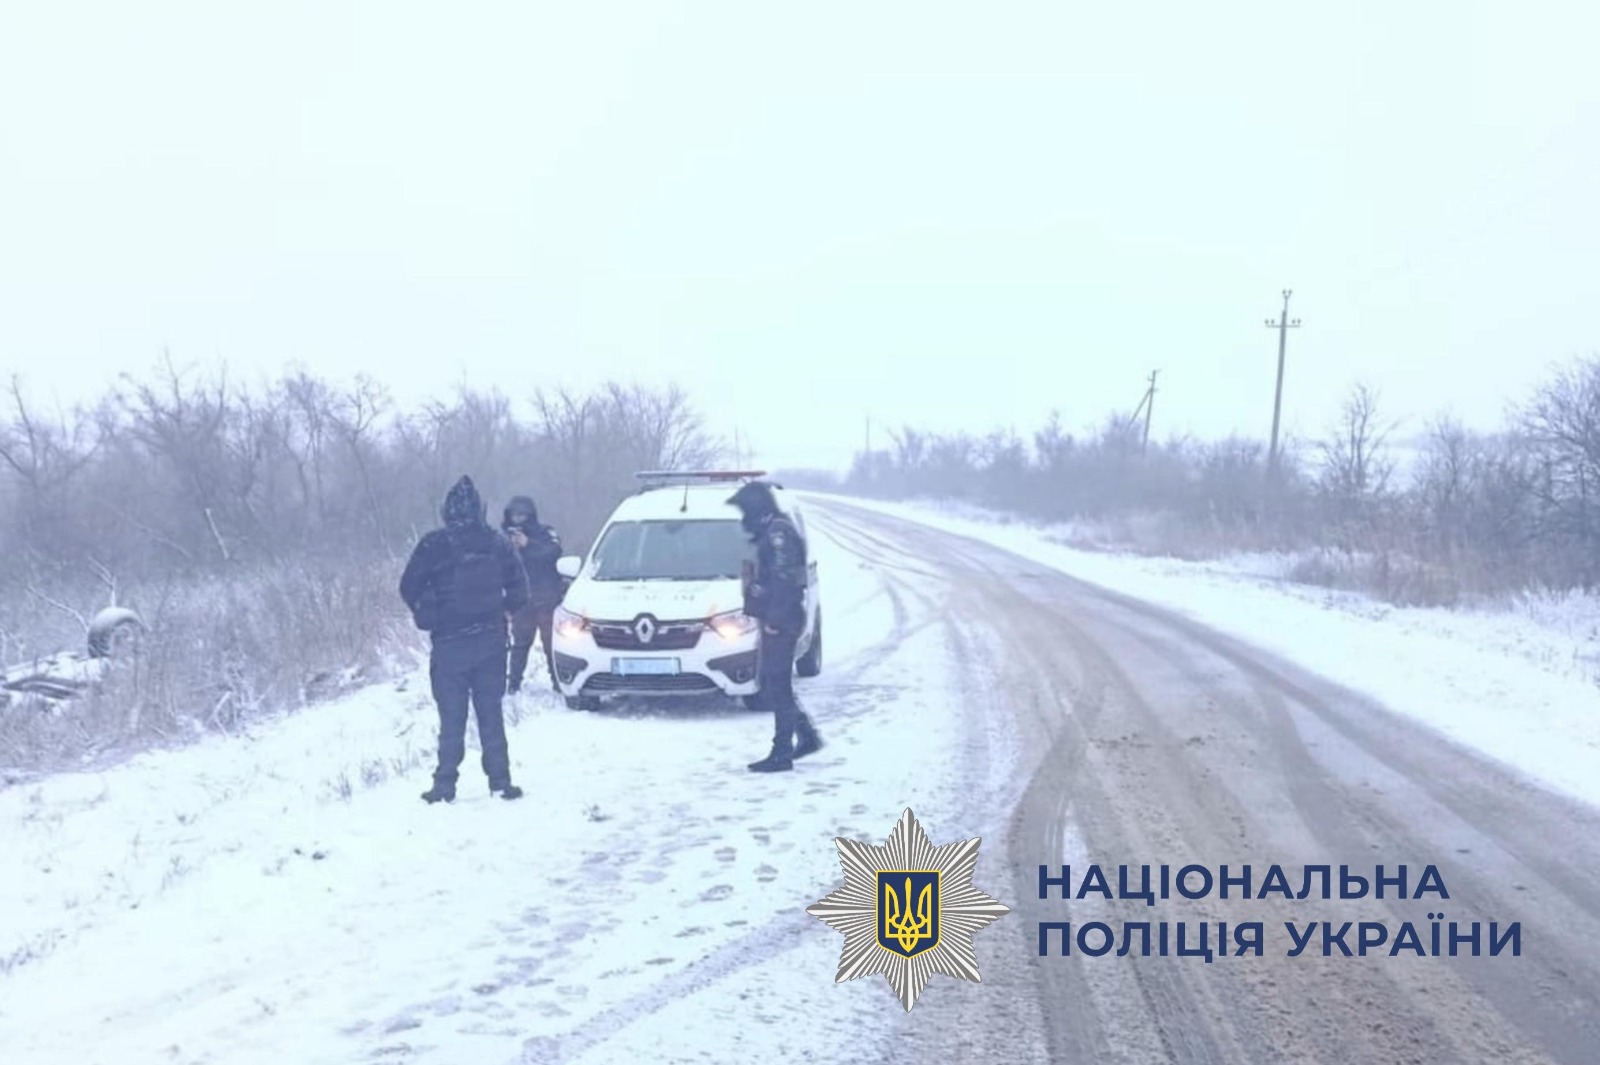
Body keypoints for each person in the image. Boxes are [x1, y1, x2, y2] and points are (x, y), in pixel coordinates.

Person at [400, 475, 531, 803]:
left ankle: (444, 785)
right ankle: (500, 782)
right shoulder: (497, 543)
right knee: (491, 714)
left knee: (451, 718)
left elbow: (408, 586)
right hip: (491, 642)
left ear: (447, 510)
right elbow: (520, 590)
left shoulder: (433, 545)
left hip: (449, 645)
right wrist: (502, 610)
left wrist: (428, 608)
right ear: (480, 509)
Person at [726, 480, 823, 773]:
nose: (744, 517)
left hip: (782, 620)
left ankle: (782, 752)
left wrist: (775, 621)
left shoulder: (778, 533)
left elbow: (784, 580)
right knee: (776, 682)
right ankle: (806, 736)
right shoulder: (771, 530)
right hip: (777, 617)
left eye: (745, 509)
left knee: (777, 684)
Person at [501, 494, 565, 692]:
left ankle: (558, 683)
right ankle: (513, 685)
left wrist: (528, 544)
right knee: (520, 644)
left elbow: (554, 552)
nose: (518, 519)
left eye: (522, 515)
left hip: (547, 597)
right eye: (514, 515)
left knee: (551, 644)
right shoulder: (503, 540)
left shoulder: (545, 533)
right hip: (522, 599)